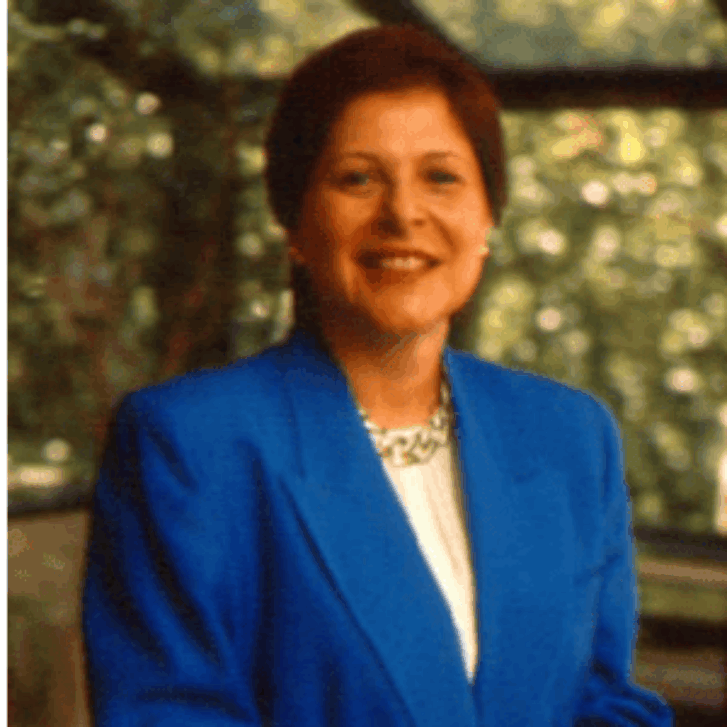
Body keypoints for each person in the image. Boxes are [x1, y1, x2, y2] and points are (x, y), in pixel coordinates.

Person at [82, 24, 674, 727]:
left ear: (487, 216)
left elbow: (605, 701)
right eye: (357, 178)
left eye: (441, 176)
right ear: (294, 223)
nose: (402, 213)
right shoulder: (188, 444)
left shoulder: (571, 436)